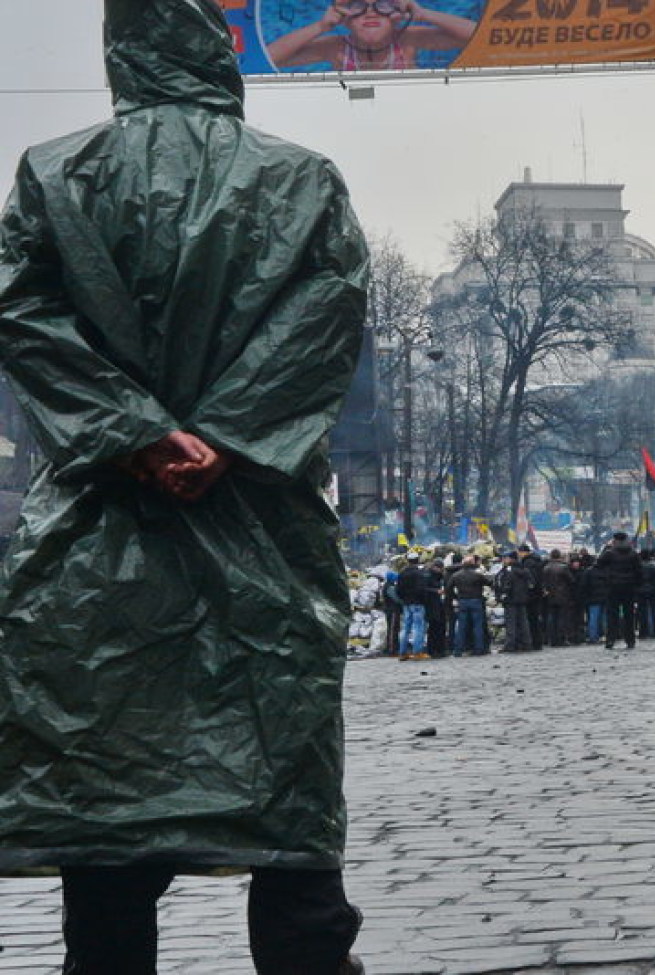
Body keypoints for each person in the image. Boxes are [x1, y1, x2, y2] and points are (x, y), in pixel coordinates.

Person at [0, 2, 369, 972]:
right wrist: (226, 435)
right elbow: (325, 318)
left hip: (100, 535)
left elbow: (23, 314)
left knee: (108, 822)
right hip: (262, 521)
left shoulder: (53, 173)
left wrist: (134, 434)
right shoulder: (300, 180)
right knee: (287, 809)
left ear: (118, 55)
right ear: (221, 53)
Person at [267, 0, 478, 72]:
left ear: (396, 16)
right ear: (345, 19)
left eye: (382, 5)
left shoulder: (408, 40)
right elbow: (270, 58)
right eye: (358, 5)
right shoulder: (336, 48)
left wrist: (424, 14)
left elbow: (477, 38)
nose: (370, 12)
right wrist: (320, 26)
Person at [596, 531, 641, 649]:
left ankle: (610, 640)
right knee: (629, 615)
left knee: (612, 615)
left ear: (614, 540)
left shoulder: (609, 553)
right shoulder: (633, 553)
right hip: (629, 587)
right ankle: (630, 640)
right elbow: (639, 571)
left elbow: (598, 565)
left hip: (612, 587)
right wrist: (636, 585)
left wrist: (606, 579)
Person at [449, 554, 492, 655]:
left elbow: (448, 589)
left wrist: (456, 597)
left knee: (461, 626)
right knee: (478, 626)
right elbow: (489, 583)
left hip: (462, 601)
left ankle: (458, 650)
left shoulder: (456, 575)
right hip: (476, 601)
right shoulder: (477, 575)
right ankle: (479, 649)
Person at [493, 550, 534, 652]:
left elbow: (504, 585)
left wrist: (501, 596)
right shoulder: (524, 569)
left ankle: (510, 645)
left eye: (505, 558)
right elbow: (532, 584)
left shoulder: (507, 571)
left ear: (510, 559)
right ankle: (526, 644)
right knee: (524, 623)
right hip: (523, 600)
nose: (503, 560)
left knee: (510, 624)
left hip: (510, 600)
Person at [395, 554, 428, 659]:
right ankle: (417, 652)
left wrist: (404, 599)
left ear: (408, 561)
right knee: (418, 627)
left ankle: (402, 653)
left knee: (405, 628)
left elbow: (398, 590)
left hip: (406, 604)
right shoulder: (419, 573)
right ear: (417, 560)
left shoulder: (402, 573)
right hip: (417, 603)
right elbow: (422, 589)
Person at [518, 543, 547, 651]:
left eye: (520, 552)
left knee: (531, 619)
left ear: (523, 552)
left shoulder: (528, 562)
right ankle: (537, 642)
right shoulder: (536, 560)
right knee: (535, 618)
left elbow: (530, 580)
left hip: (531, 595)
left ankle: (535, 642)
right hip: (537, 594)